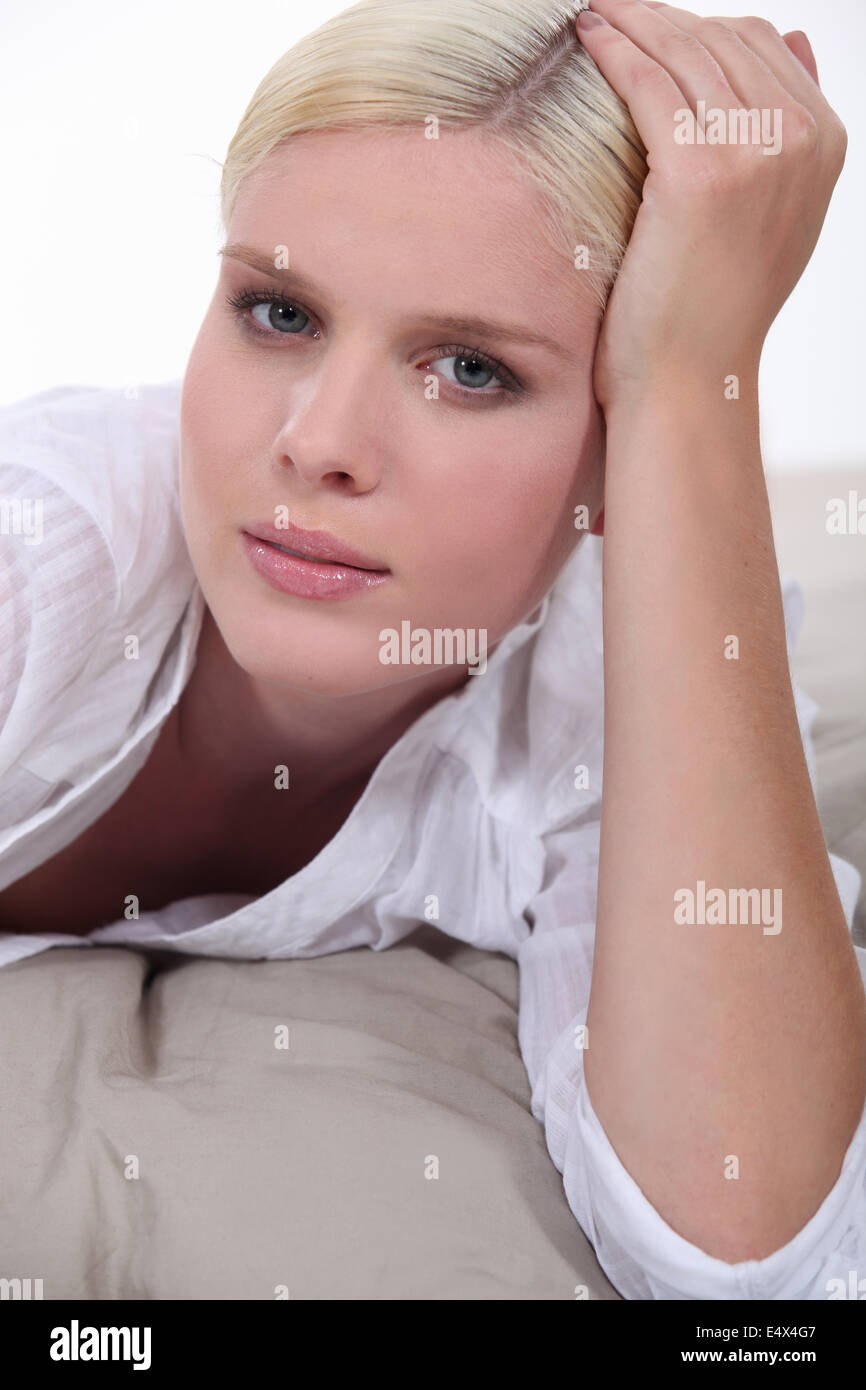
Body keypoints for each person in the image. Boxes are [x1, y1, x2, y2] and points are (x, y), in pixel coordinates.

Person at [0, 0, 864, 1299]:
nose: (319, 441)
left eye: (467, 367)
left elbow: (740, 1245)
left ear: (614, 447)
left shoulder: (593, 693)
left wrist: (695, 382)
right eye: (279, 312)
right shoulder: (47, 545)